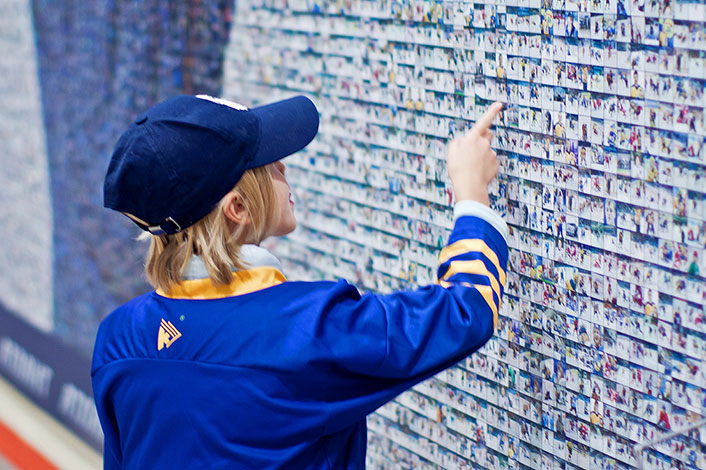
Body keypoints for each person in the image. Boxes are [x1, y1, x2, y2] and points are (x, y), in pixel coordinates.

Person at [92, 94, 508, 469]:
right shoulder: (306, 329)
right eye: (266, 161)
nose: (282, 165)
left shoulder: (117, 340)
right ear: (238, 208)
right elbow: (464, 309)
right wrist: (472, 194)